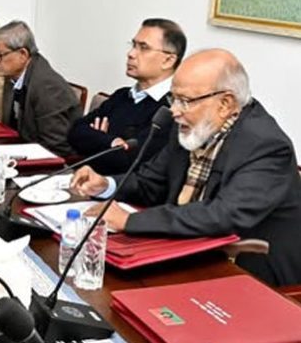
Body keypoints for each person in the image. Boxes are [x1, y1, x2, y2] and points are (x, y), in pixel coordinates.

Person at [70, 49, 301, 286]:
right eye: (174, 98)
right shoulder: (193, 125)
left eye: (185, 101)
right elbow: (150, 182)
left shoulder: (266, 145)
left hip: (251, 274)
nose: (174, 111)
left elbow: (223, 215)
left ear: (225, 103)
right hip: (188, 250)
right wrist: (106, 185)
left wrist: (129, 221)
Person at [67, 18, 186, 174]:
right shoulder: (122, 96)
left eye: (143, 48)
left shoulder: (172, 109)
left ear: (168, 60)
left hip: (120, 187)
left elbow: (130, 161)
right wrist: (111, 141)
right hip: (83, 178)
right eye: (133, 45)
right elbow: (75, 132)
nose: (130, 54)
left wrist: (96, 139)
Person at [0, 20, 81, 157]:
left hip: (53, 161)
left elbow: (56, 147)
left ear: (23, 54)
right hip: (22, 152)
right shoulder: (12, 76)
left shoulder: (47, 86)